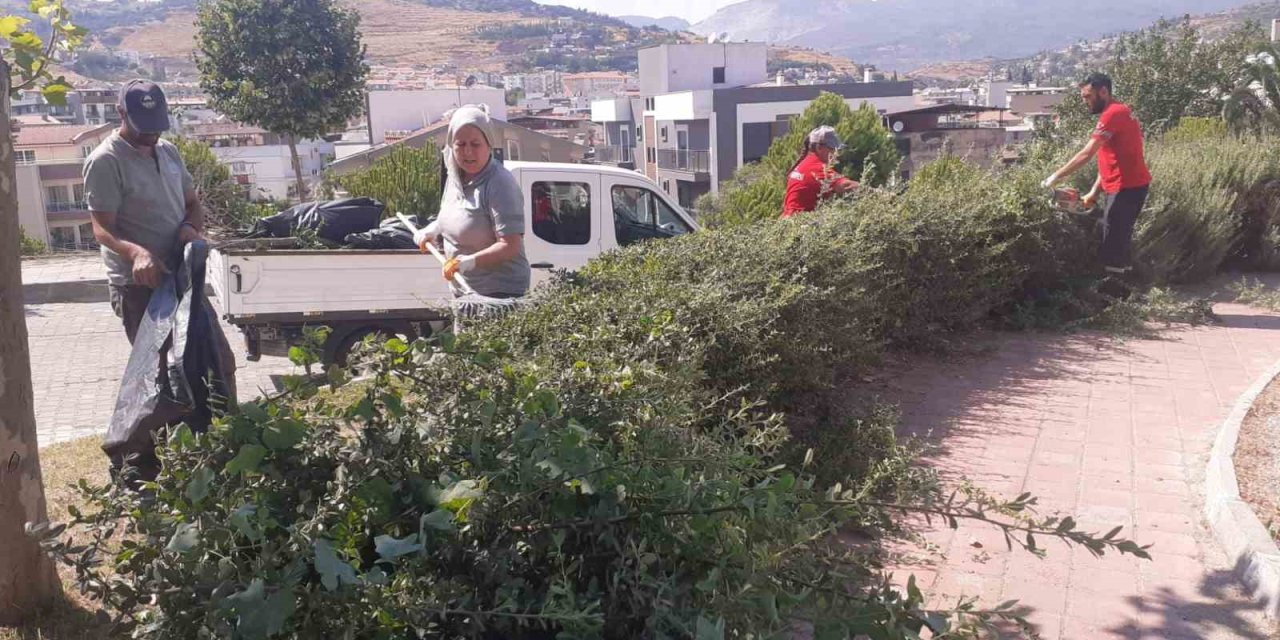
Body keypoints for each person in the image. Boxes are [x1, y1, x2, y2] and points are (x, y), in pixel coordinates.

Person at [86, 79, 204, 343]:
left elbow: (193, 204)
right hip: (138, 285)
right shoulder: (105, 160)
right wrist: (137, 253)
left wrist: (190, 227)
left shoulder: (169, 151)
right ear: (121, 114)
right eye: (144, 126)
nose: (152, 135)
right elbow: (102, 228)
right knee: (157, 373)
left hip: (179, 275)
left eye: (156, 126)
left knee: (213, 361)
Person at [1042, 72, 1152, 281]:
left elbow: (1087, 153)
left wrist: (1054, 177)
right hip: (1126, 186)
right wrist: (1093, 192)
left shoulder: (1113, 113)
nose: (1085, 102)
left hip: (1126, 187)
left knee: (1113, 242)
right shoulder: (1119, 111)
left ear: (1103, 92)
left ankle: (1116, 299)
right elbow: (1112, 160)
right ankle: (1127, 294)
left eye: (1088, 96)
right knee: (1116, 237)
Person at [414, 106, 530, 299]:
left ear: (489, 145)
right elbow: (457, 216)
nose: (468, 152)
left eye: (475, 144)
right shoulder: (454, 177)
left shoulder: (499, 183)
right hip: (463, 290)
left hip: (498, 295)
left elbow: (510, 245)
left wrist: (468, 262)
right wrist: (433, 230)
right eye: (460, 144)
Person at [781, 125, 859, 218]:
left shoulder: (804, 164)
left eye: (837, 149)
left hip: (787, 223)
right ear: (819, 148)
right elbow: (846, 186)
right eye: (832, 148)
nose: (836, 153)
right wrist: (876, 192)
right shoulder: (817, 168)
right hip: (799, 225)